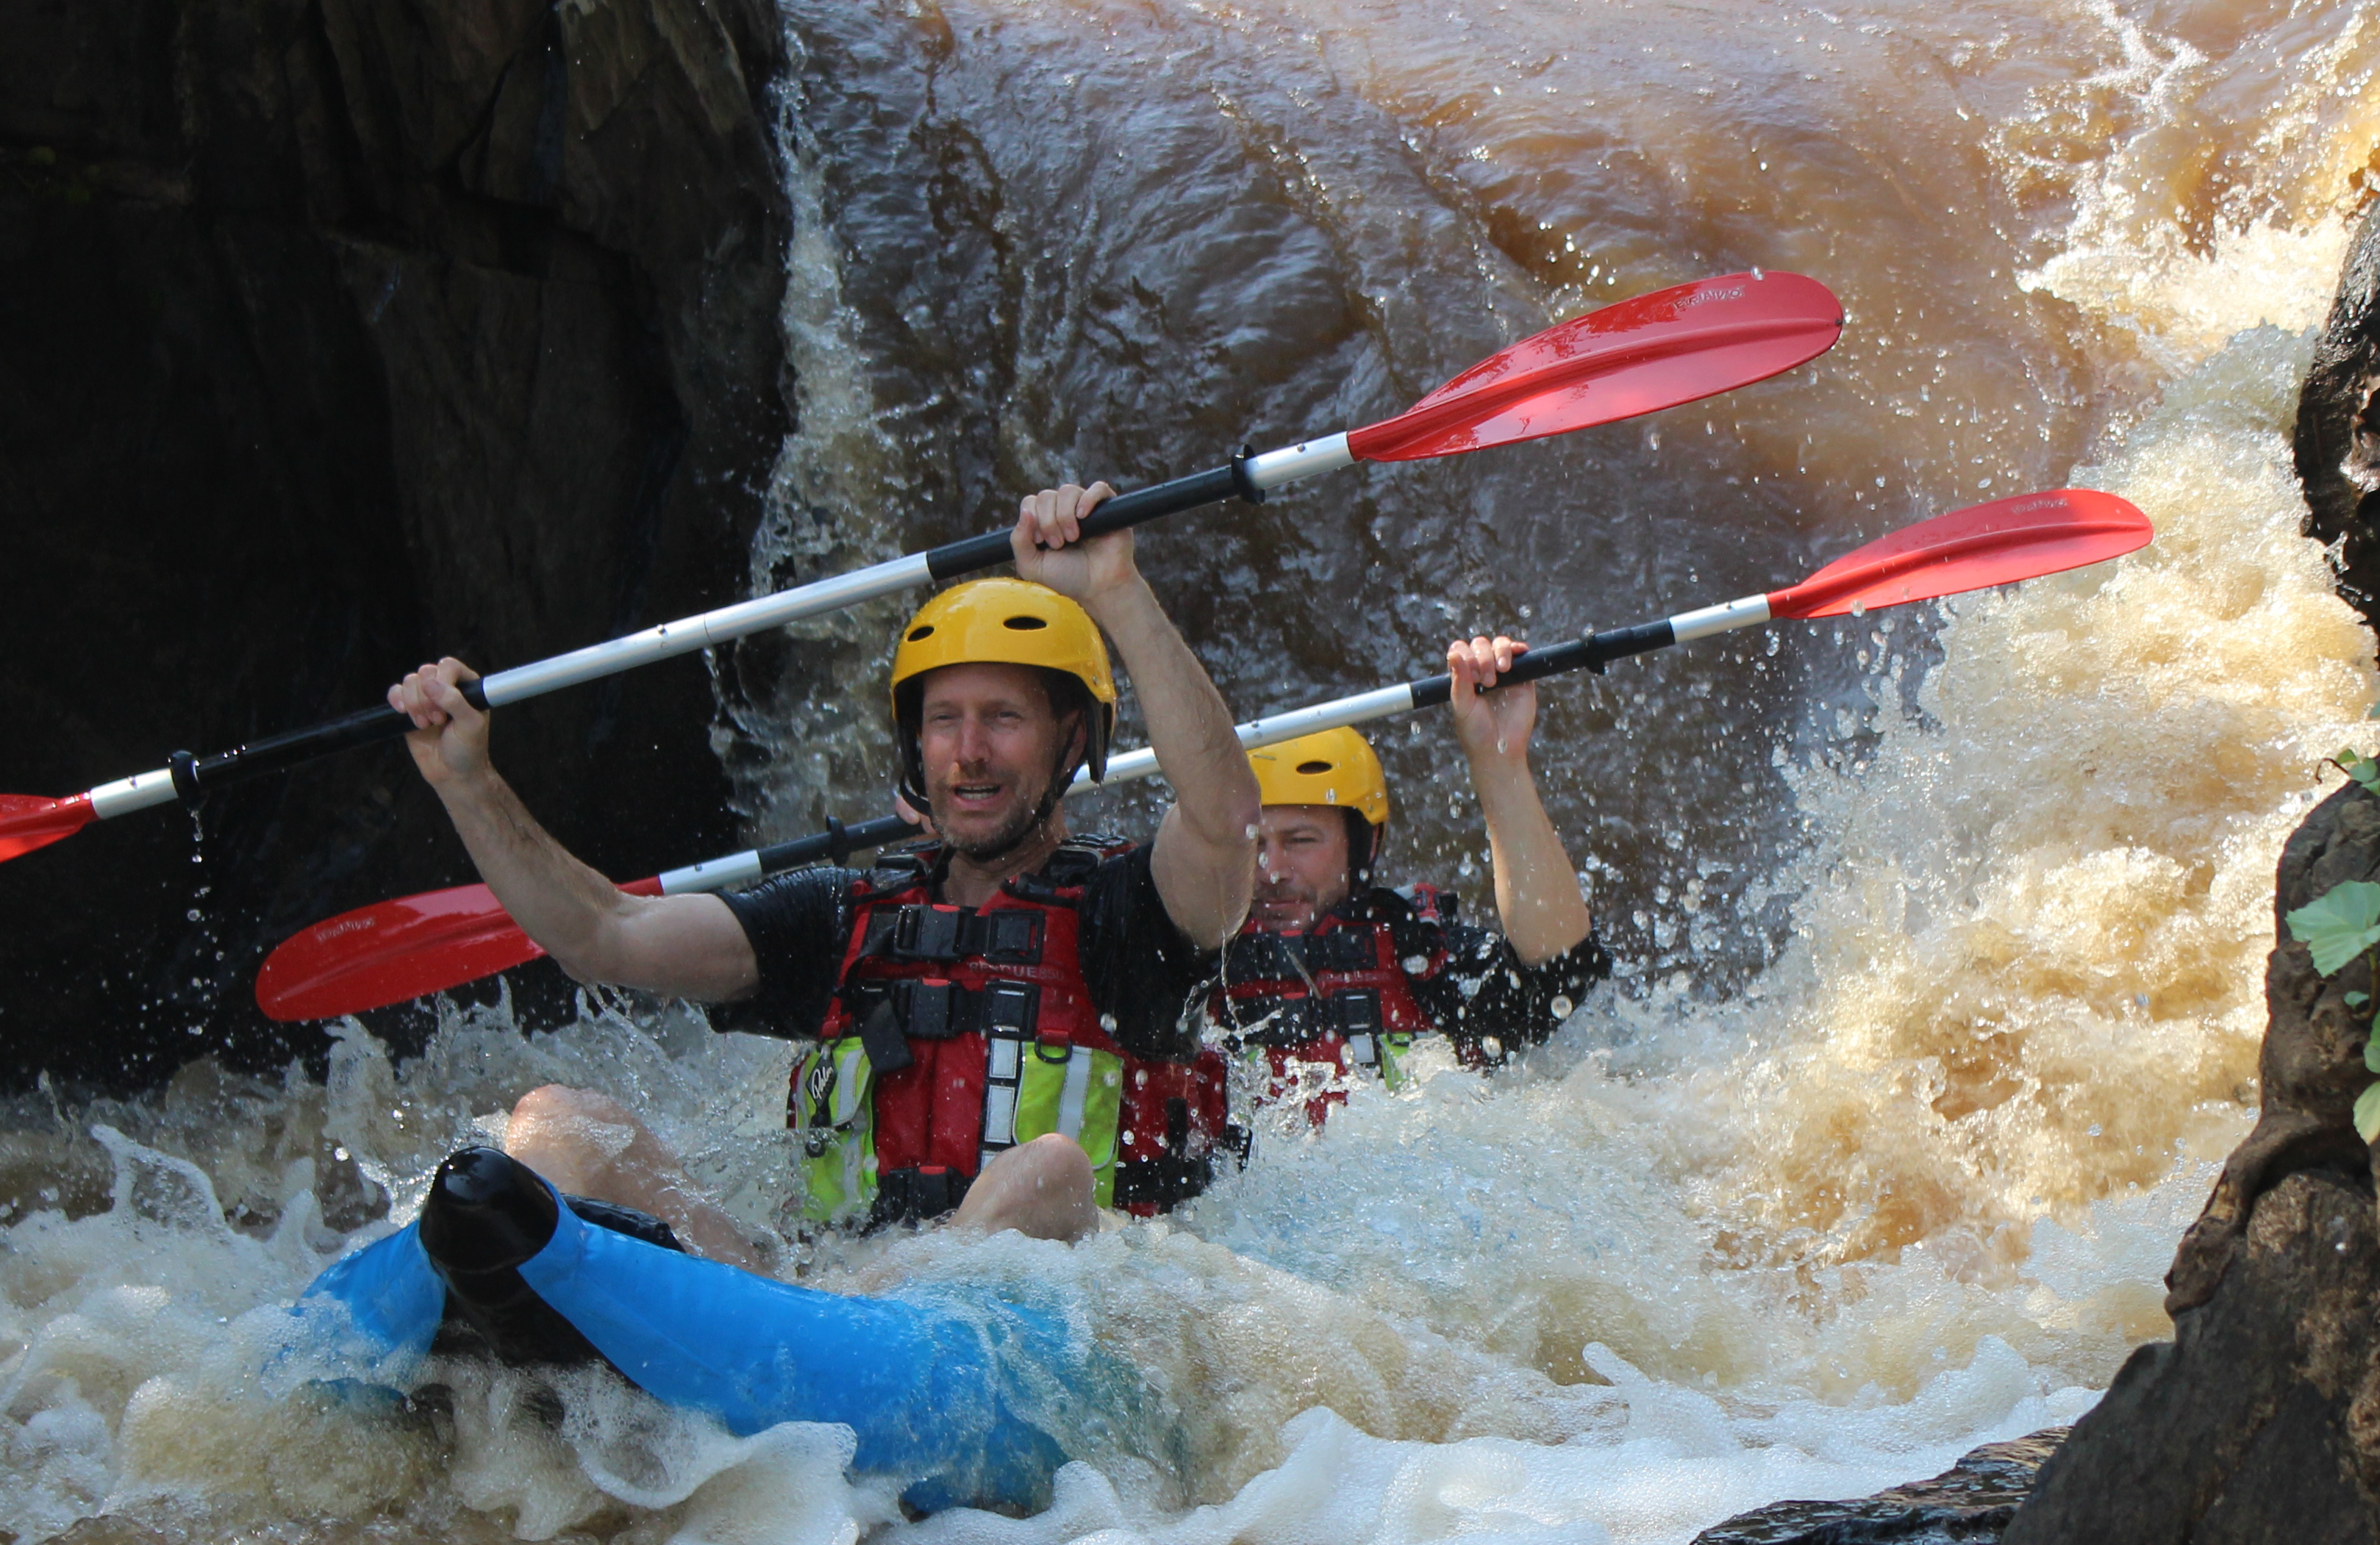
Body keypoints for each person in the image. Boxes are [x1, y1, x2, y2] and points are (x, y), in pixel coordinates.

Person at [385, 484, 1261, 1258]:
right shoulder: (843, 917)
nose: (968, 752)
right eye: (944, 720)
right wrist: (468, 782)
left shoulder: (1127, 916)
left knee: (1049, 1174)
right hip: (812, 1318)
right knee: (560, 1125)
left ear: (1074, 740)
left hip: (1017, 1346)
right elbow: (601, 934)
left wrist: (1117, 591)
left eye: (1004, 717)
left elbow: (1225, 823)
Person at [1128, 637, 1612, 1199]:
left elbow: (1560, 972)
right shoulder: (1186, 961)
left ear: (1364, 843)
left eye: (1301, 840)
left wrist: (1499, 763)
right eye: (1252, 842)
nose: (1271, 870)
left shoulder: (1415, 951)